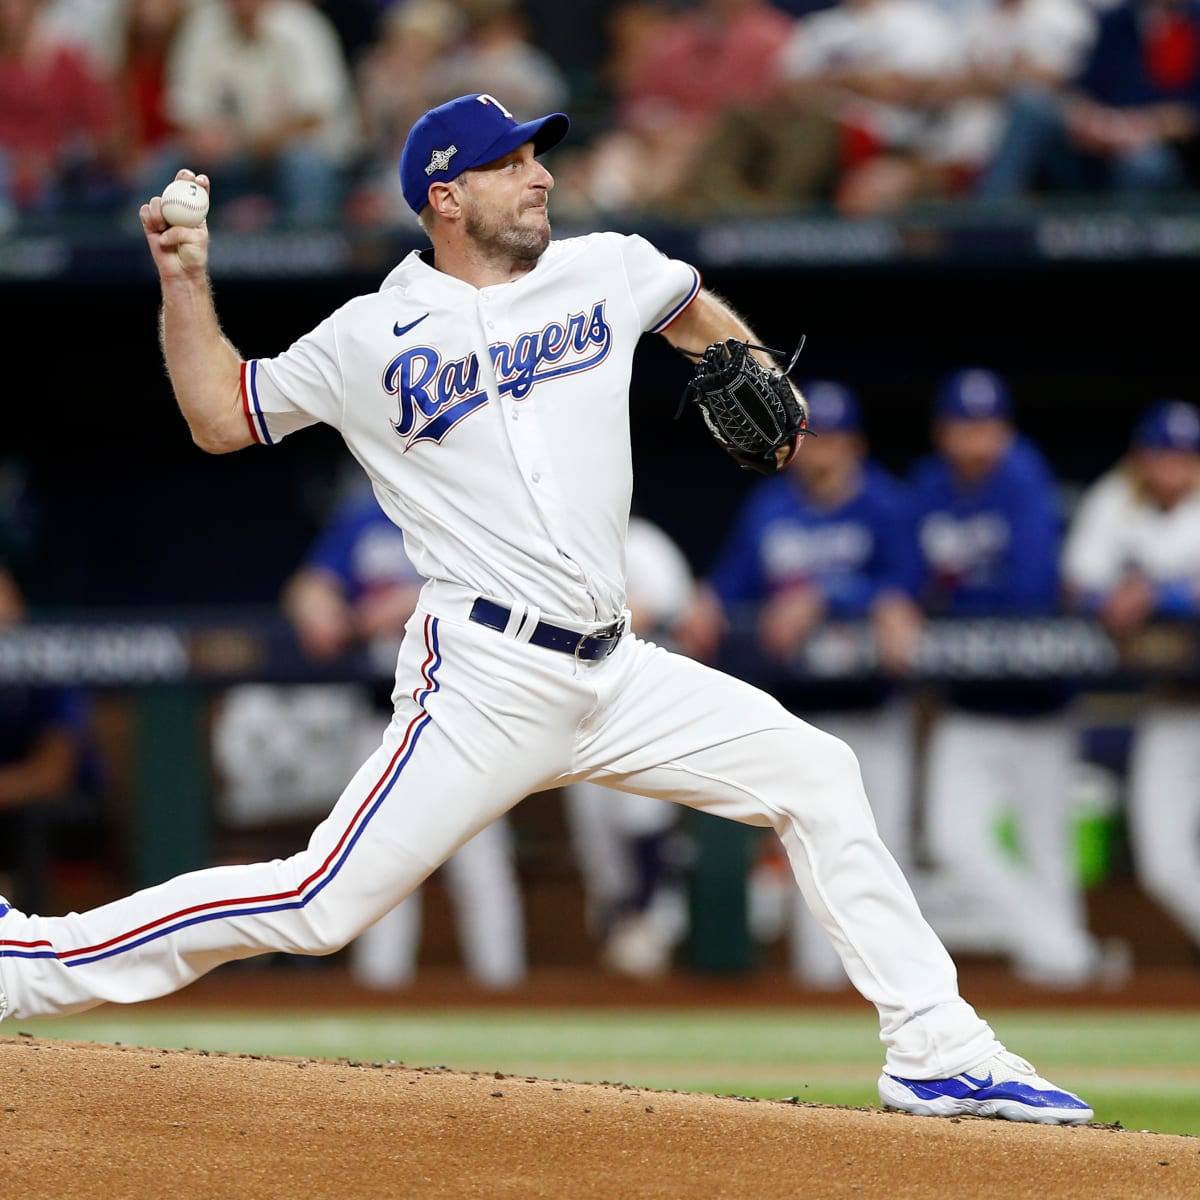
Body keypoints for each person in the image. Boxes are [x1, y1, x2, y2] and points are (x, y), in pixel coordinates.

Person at [0, 92, 1093, 1126]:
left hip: (618, 671)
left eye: (539, 157)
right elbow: (217, 413)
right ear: (444, 196)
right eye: (511, 164)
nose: (541, 177)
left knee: (818, 773)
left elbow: (689, 301)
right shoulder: (367, 337)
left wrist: (746, 361)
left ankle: (936, 1047)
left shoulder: (605, 268)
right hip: (484, 677)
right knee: (317, 903)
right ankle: (31, 965)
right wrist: (185, 278)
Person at [679, 381, 923, 988]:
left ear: (856, 445)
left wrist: (831, 596)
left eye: (834, 440)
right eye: (811, 439)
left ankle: (901, 988)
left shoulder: (886, 504)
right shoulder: (772, 507)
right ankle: (822, 991)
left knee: (879, 847)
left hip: (872, 706)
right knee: (811, 844)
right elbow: (732, 584)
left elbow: (915, 587)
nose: (822, 452)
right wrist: (706, 600)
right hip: (802, 708)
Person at [907, 368, 1115, 989]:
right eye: (964, 426)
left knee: (1049, 852)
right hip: (968, 706)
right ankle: (1068, 958)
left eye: (987, 427)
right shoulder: (928, 486)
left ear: (1005, 430)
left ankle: (1066, 986)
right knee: (951, 838)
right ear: (944, 432)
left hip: (1039, 705)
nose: (976, 440)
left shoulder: (1025, 475)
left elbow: (1027, 591)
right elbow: (909, 575)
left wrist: (948, 594)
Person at [281, 484, 526, 990]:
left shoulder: (473, 500)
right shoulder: (365, 512)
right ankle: (381, 999)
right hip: (383, 713)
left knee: (479, 865)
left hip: (466, 713)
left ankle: (503, 994)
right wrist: (317, 604)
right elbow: (308, 585)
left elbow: (508, 591)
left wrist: (410, 602)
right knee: (378, 864)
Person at [1061, 399, 1200, 958]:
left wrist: (1158, 595)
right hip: (1167, 706)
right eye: (1162, 453)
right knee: (1164, 863)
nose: (1172, 466)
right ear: (1142, 458)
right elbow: (1075, 584)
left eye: (1185, 455)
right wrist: (1109, 598)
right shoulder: (1116, 499)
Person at [564, 513, 693, 980]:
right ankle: (622, 923)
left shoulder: (643, 542)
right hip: (579, 715)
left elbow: (673, 609)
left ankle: (652, 920)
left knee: (643, 821)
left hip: (643, 711)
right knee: (594, 836)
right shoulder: (560, 540)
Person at [147, 0, 362, 227]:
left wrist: (254, 140)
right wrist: (204, 136)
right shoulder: (201, 27)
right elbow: (183, 108)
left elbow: (316, 115)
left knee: (305, 164)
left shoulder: (304, 26)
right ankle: (146, 255)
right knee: (166, 164)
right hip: (224, 157)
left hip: (290, 152)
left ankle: (310, 254)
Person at [976, 0, 1200, 200]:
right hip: (1097, 142)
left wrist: (1133, 128)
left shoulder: (1193, 23)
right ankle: (988, 223)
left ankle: (1124, 243)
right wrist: (1088, 120)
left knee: (1144, 165)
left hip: (1160, 150)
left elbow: (1189, 116)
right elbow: (1084, 90)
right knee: (1029, 105)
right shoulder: (1118, 21)